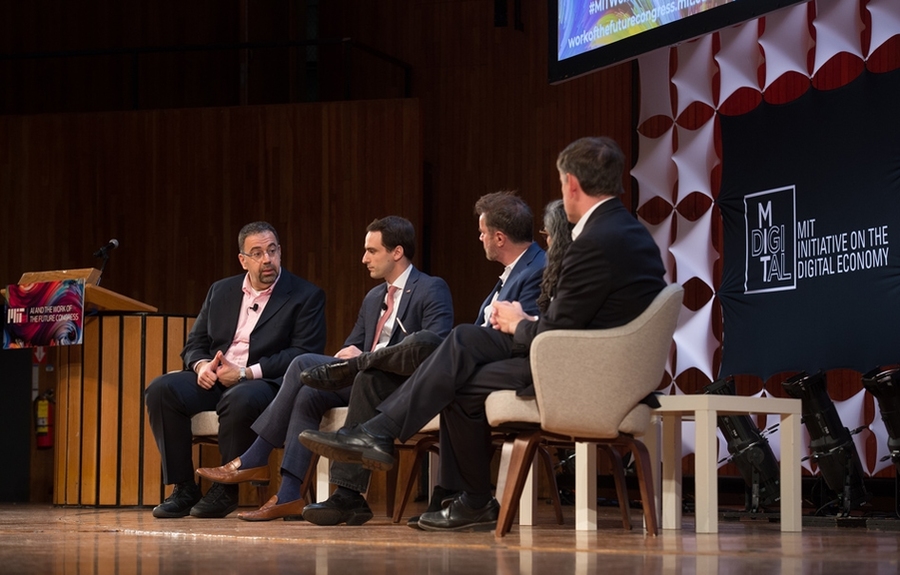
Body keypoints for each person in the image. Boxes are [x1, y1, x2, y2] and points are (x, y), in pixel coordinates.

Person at [299, 136, 667, 531]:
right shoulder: (628, 232)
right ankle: (462, 494)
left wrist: (517, 322)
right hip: (593, 361)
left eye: (561, 183)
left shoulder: (593, 241)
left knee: (460, 347)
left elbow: (559, 331)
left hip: (581, 372)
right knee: (461, 358)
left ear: (572, 184)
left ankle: (395, 443)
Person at [299, 192, 547, 526]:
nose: (480, 238)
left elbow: (520, 337)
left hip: (500, 365)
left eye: (482, 232)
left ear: (499, 238)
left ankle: (376, 418)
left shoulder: (535, 269)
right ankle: (349, 494)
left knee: (437, 340)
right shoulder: (511, 273)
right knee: (372, 379)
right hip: (460, 363)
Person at [195, 216, 454, 521]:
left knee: (303, 362)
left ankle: (256, 455)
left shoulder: (430, 288)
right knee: (309, 393)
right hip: (364, 374)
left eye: (372, 251)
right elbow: (352, 347)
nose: (364, 258)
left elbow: (433, 345)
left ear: (396, 252)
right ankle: (291, 493)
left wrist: (367, 357)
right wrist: (350, 353)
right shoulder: (374, 298)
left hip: (401, 383)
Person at [145, 221, 327, 519]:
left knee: (239, 396)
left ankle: (225, 491)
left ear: (280, 252)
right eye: (257, 253)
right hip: (217, 377)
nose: (267, 259)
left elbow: (303, 354)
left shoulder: (305, 296)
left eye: (272, 250)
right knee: (162, 389)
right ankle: (184, 487)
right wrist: (202, 365)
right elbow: (195, 343)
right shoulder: (221, 290)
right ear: (243, 259)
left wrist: (245, 373)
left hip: (266, 382)